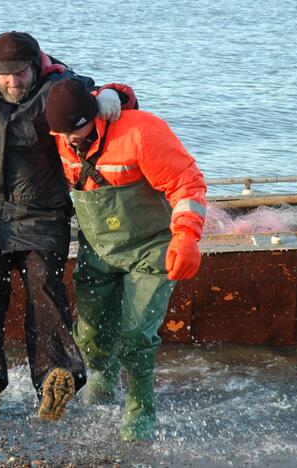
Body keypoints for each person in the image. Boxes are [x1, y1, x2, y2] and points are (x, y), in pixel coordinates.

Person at [0, 32, 124, 421]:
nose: (13, 82)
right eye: (5, 75)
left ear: (36, 66)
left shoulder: (57, 87)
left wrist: (112, 97)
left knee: (44, 288)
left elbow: (107, 93)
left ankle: (55, 377)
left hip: (41, 213)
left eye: (22, 73)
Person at [44, 78, 207, 440]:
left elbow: (187, 183)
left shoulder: (141, 132)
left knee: (136, 336)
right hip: (99, 247)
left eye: (78, 130)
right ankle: (101, 377)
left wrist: (186, 236)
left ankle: (140, 409)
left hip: (151, 248)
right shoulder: (59, 135)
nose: (70, 140)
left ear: (95, 117)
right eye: (62, 134)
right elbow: (42, 67)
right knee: (89, 332)